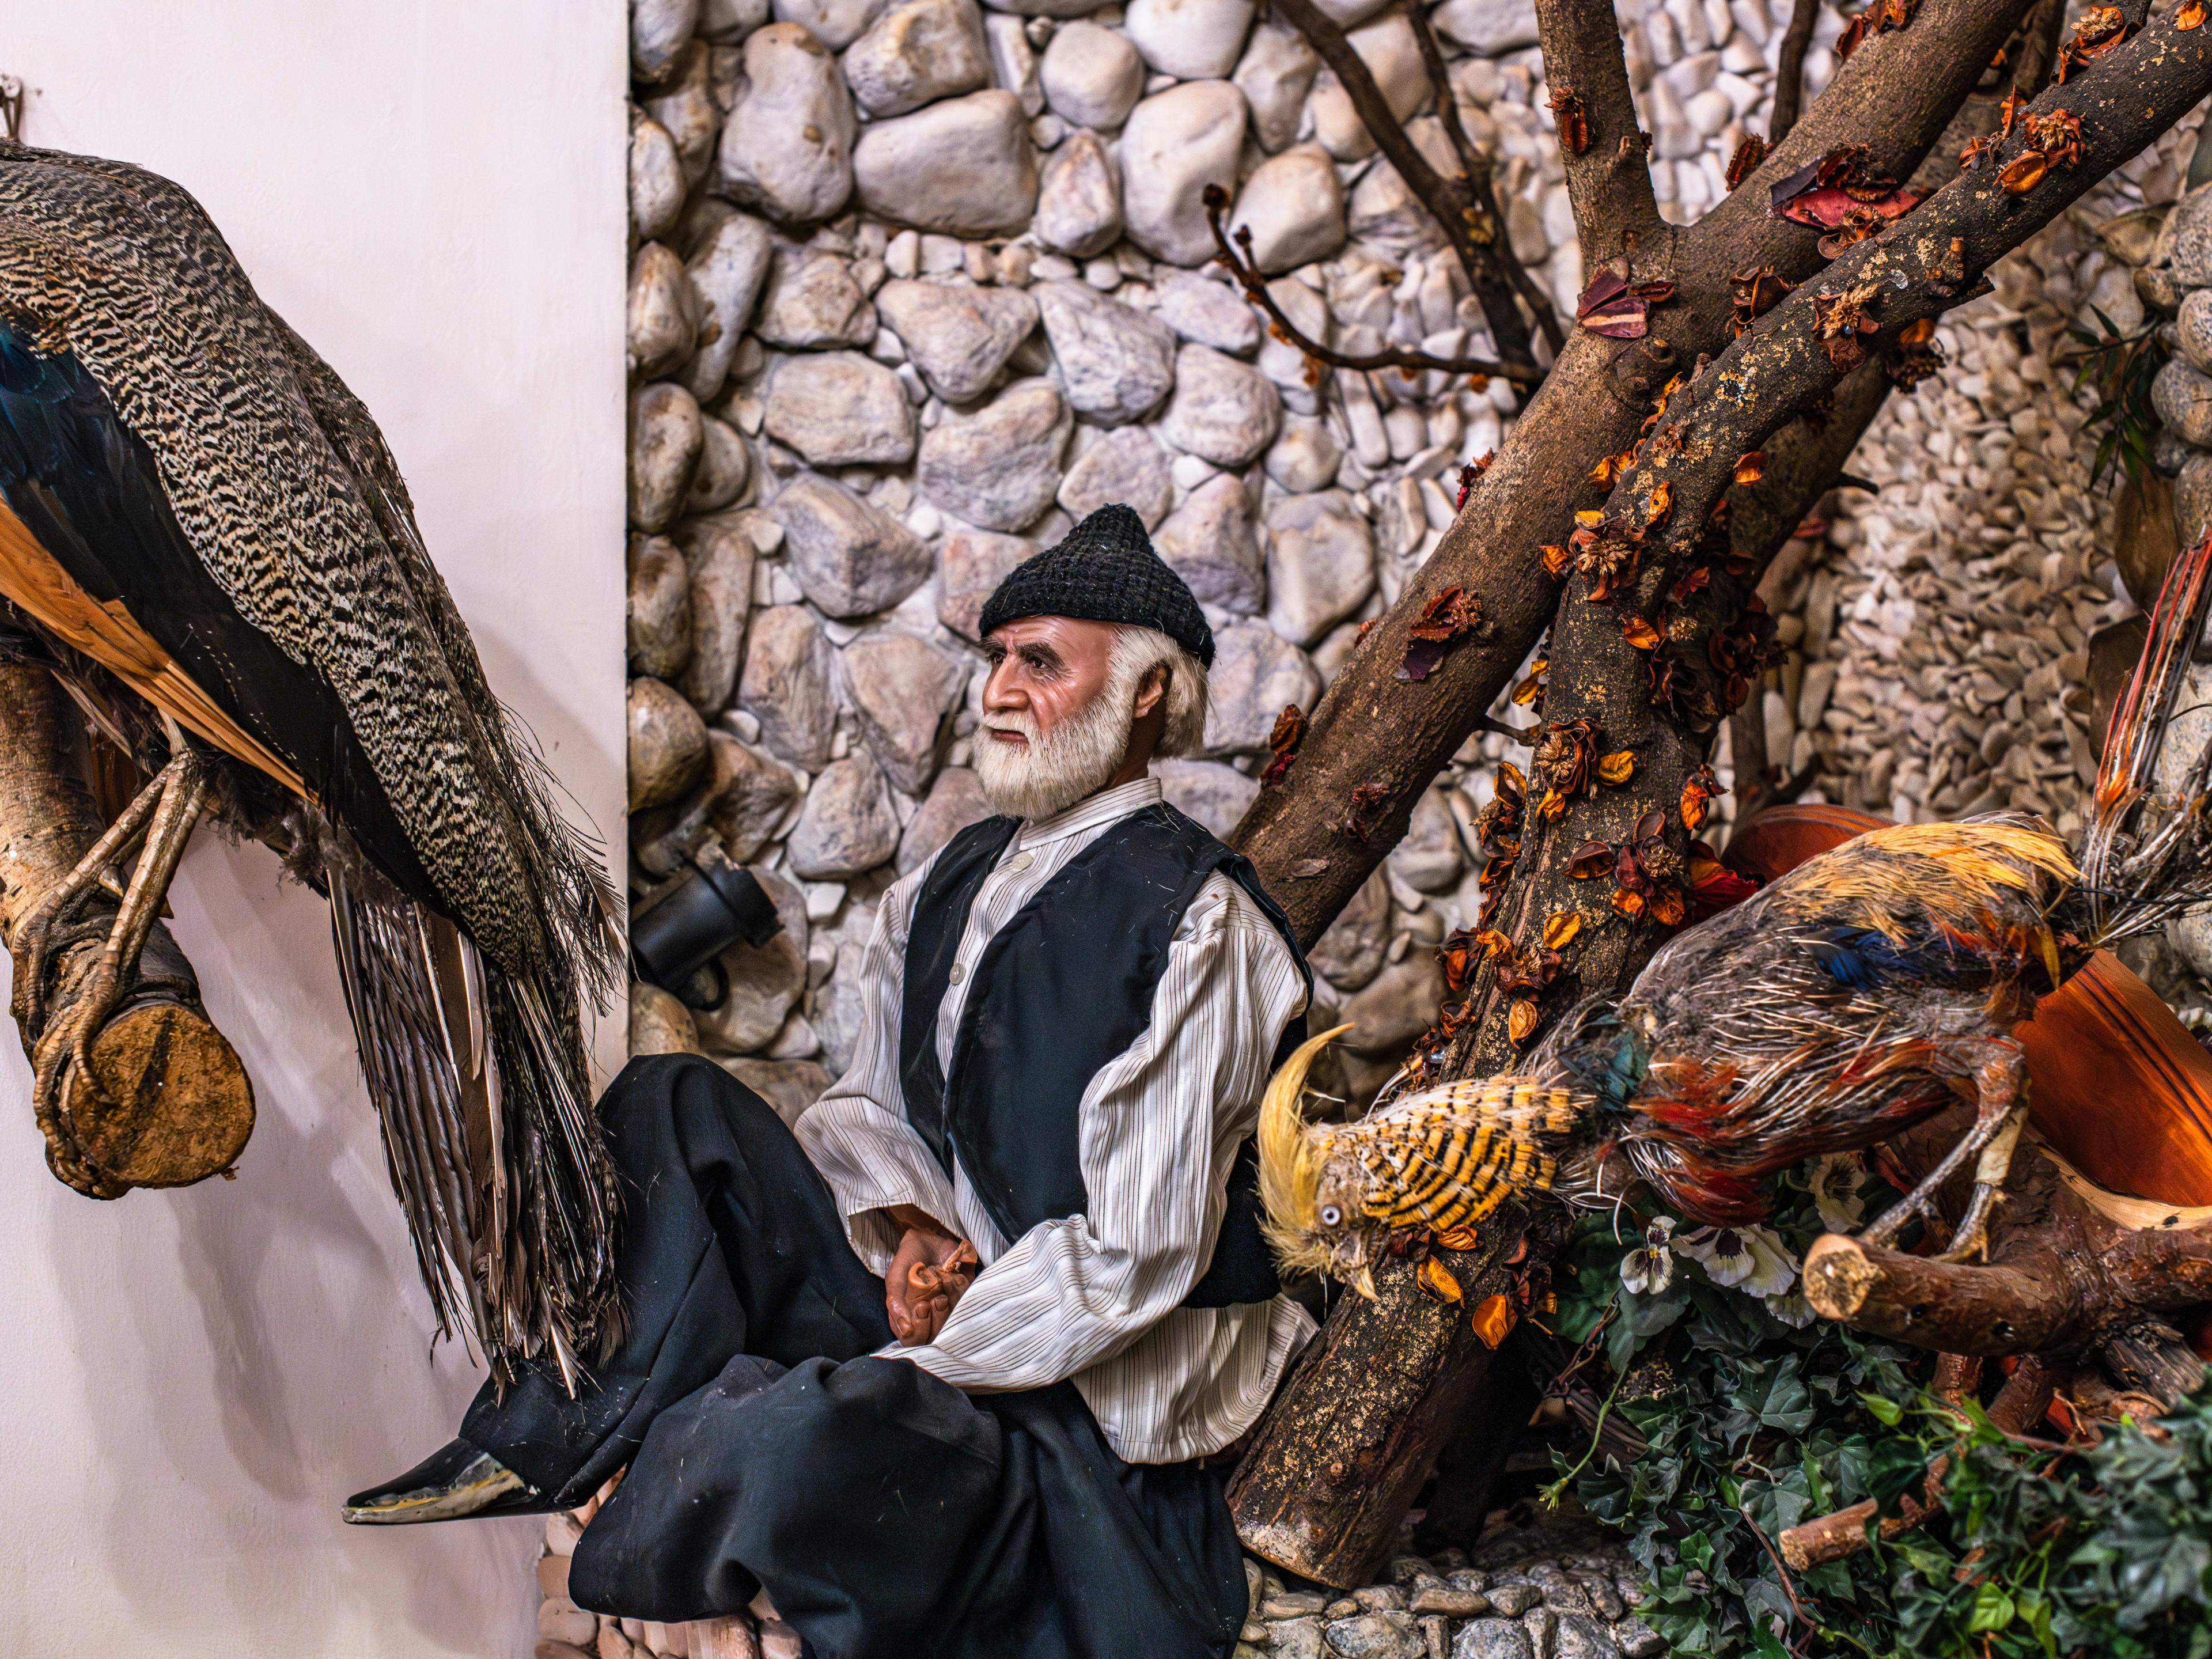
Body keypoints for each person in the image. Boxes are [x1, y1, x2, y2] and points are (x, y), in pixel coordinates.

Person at [342, 504, 1317, 1659]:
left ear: (1147, 695)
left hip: (1076, 1390)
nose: (1000, 690)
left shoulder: (1203, 924)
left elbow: (1133, 1256)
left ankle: (684, 1459)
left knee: (793, 1438)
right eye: (998, 657)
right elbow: (871, 1104)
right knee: (672, 1106)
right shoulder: (954, 877)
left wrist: (922, 1349)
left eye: (1041, 662)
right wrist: (909, 1235)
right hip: (955, 1304)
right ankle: (554, 1430)